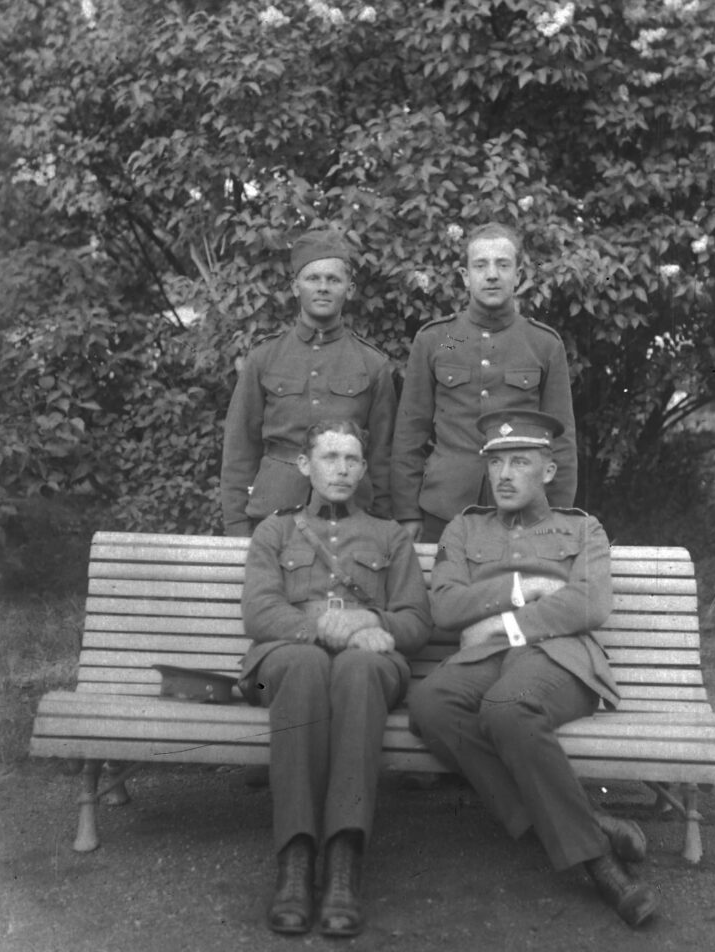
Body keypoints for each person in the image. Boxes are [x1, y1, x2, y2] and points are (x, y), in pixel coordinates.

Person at [407, 409, 658, 928]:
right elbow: (446, 608)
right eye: (495, 462)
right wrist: (526, 588)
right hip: (482, 661)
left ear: (548, 470)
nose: (504, 475)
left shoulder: (582, 528)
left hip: (559, 658)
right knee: (430, 705)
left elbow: (588, 604)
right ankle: (588, 822)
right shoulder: (464, 527)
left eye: (519, 462)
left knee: (507, 707)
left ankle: (601, 868)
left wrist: (504, 625)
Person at [238, 419, 431, 937]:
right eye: (329, 457)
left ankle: (344, 864)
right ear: (305, 465)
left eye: (351, 459)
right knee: (304, 665)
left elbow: (416, 622)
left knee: (359, 668)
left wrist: (371, 620)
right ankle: (295, 864)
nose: (341, 469)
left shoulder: (389, 536)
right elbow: (259, 613)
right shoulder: (275, 531)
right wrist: (328, 629)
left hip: (368, 667)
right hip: (274, 672)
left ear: (364, 469)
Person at [391, 222, 577, 543]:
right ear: (465, 277)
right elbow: (410, 433)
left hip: (523, 511)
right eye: (481, 265)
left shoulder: (543, 344)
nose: (492, 275)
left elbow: (561, 441)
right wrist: (407, 512)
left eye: (503, 265)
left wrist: (557, 515)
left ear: (518, 275)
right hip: (443, 509)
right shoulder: (441, 339)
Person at [221, 227, 397, 536]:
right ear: (295, 287)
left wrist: (382, 523)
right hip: (275, 510)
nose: (323, 287)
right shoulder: (264, 358)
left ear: (350, 289)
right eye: (313, 278)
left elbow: (382, 456)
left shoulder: (373, 364)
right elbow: (240, 449)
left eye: (333, 279)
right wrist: (236, 524)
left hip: (351, 514)